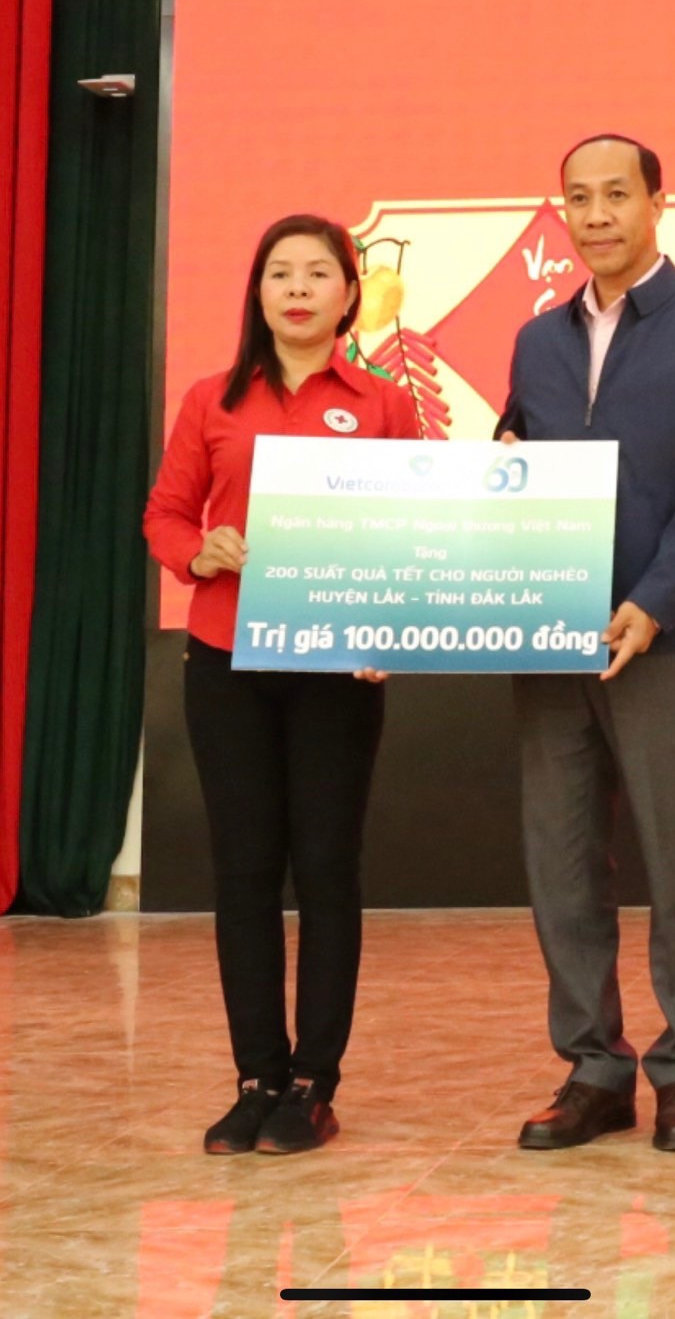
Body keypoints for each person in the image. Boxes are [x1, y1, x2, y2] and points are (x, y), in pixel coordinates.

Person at [497, 134, 675, 1153]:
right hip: (549, 635)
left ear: (658, 202)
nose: (597, 215)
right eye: (579, 198)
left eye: (617, 194)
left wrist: (654, 601)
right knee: (562, 860)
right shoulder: (537, 338)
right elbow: (518, 453)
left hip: (669, 640)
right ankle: (594, 1070)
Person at [144, 214, 418, 1155]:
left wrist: (390, 626)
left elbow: (410, 538)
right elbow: (165, 515)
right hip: (227, 661)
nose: (296, 289)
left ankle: (312, 1084)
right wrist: (200, 550)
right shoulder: (210, 400)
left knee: (327, 868)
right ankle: (256, 1076)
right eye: (278, 274)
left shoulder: (385, 405)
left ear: (350, 295)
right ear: (257, 293)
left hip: (337, 668)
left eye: (317, 274)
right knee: (245, 869)